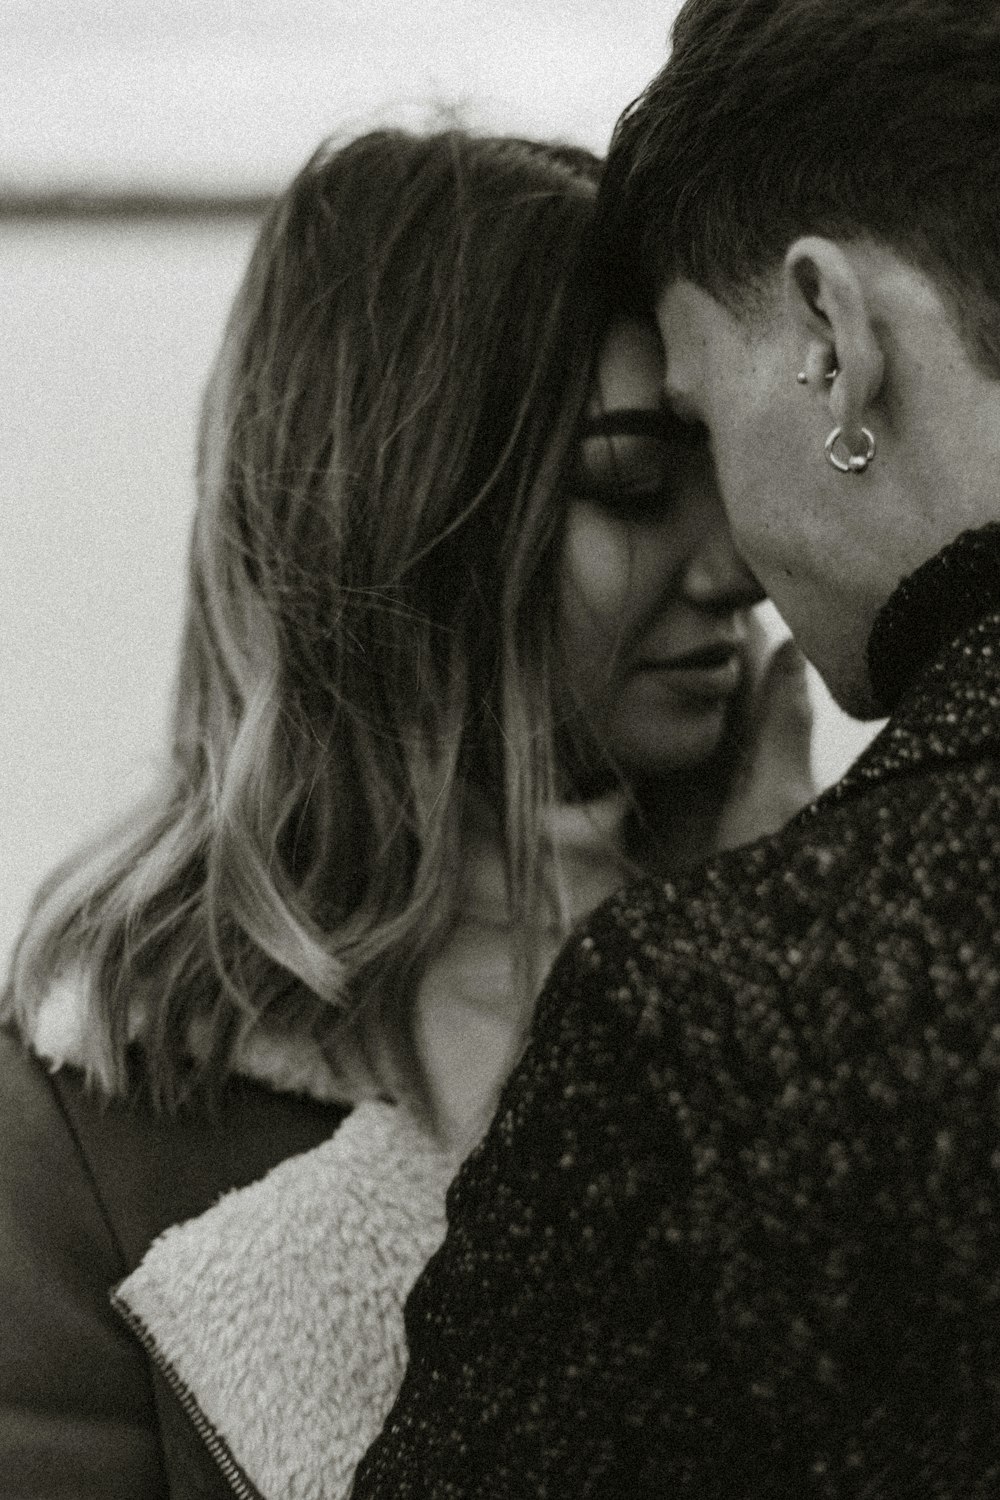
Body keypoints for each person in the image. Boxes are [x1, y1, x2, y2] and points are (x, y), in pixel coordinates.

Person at [0, 126, 806, 1499]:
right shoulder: (86, 1128)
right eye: (630, 483)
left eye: (729, 469)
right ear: (409, 519)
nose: (739, 568)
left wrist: (762, 973)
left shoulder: (821, 960)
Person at [350, 4, 1000, 1497]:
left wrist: (770, 925)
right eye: (650, 477)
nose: (740, 563)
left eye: (700, 430)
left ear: (835, 342)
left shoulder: (725, 1017)